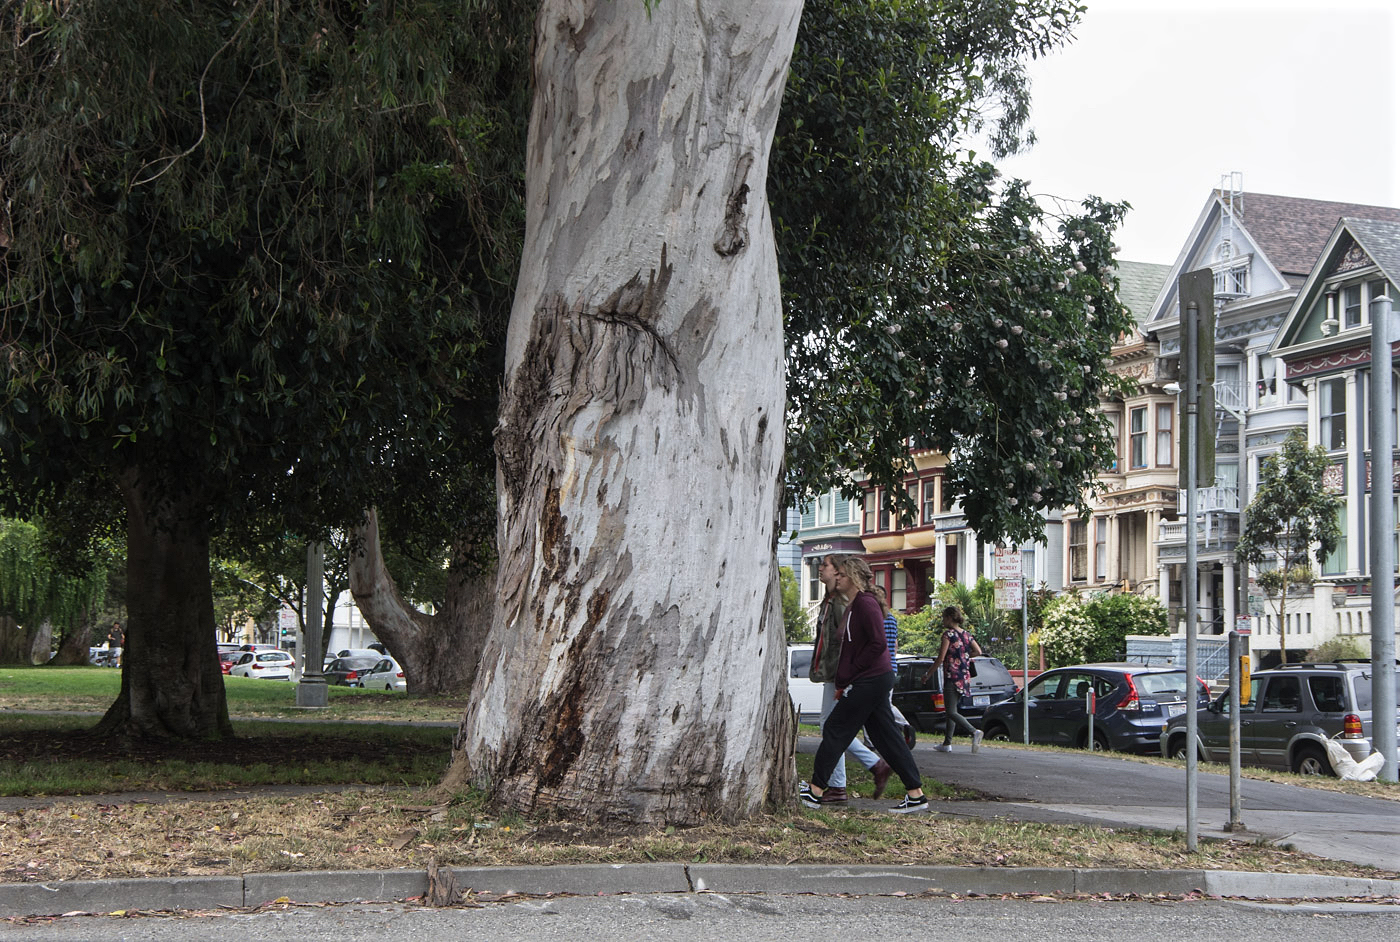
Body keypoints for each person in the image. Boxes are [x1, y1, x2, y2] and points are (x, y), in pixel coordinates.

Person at [801, 555, 928, 813]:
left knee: (835, 728)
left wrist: (852, 674)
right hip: (869, 679)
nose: (838, 578)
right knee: (887, 737)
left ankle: (815, 791)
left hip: (870, 680)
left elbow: (878, 644)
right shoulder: (855, 603)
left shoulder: (866, 603)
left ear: (855, 578)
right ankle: (916, 795)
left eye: (842, 575)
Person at [808, 555, 894, 802]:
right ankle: (840, 784)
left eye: (827, 566)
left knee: (833, 726)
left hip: (842, 674)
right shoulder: (830, 599)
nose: (822, 569)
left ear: (840, 573)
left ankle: (869, 767)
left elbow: (850, 641)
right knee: (834, 725)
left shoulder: (844, 602)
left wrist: (845, 675)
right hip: (835, 672)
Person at [922, 606, 984, 753]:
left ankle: (974, 731)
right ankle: (947, 743)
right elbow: (978, 651)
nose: (943, 620)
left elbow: (940, 658)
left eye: (944, 617)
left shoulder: (948, 635)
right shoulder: (967, 635)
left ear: (950, 618)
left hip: (951, 676)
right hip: (964, 677)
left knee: (950, 712)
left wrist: (928, 674)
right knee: (953, 709)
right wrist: (964, 656)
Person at [873, 585, 898, 657]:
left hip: (878, 664)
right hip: (891, 664)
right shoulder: (892, 618)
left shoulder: (875, 617)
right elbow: (895, 645)